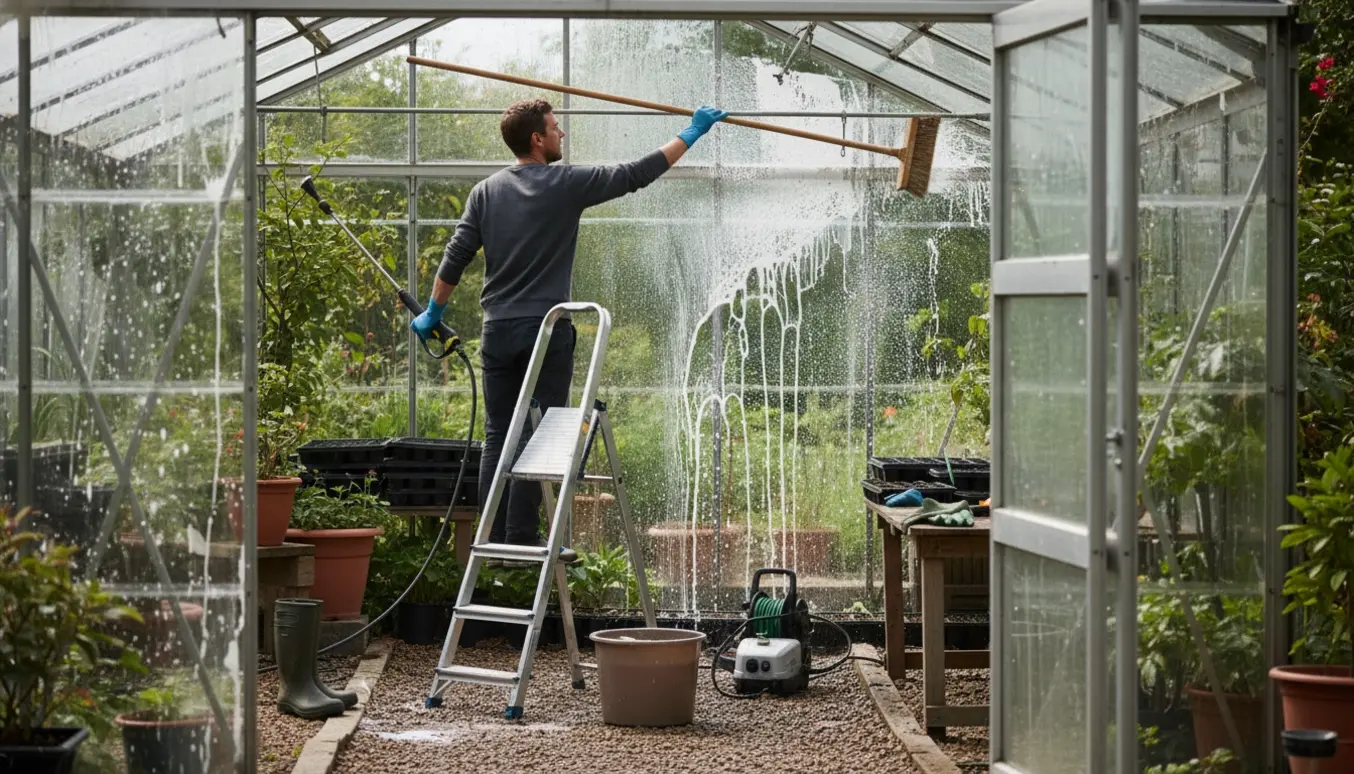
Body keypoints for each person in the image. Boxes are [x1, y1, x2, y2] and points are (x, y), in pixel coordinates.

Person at [410, 98, 729, 567]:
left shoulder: (485, 192)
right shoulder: (564, 184)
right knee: (540, 433)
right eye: (556, 128)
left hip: (497, 329)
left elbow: (456, 257)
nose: (562, 135)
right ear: (536, 139)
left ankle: (491, 538)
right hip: (547, 328)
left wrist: (433, 312)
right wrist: (692, 133)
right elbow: (634, 174)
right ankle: (522, 537)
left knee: (499, 434)